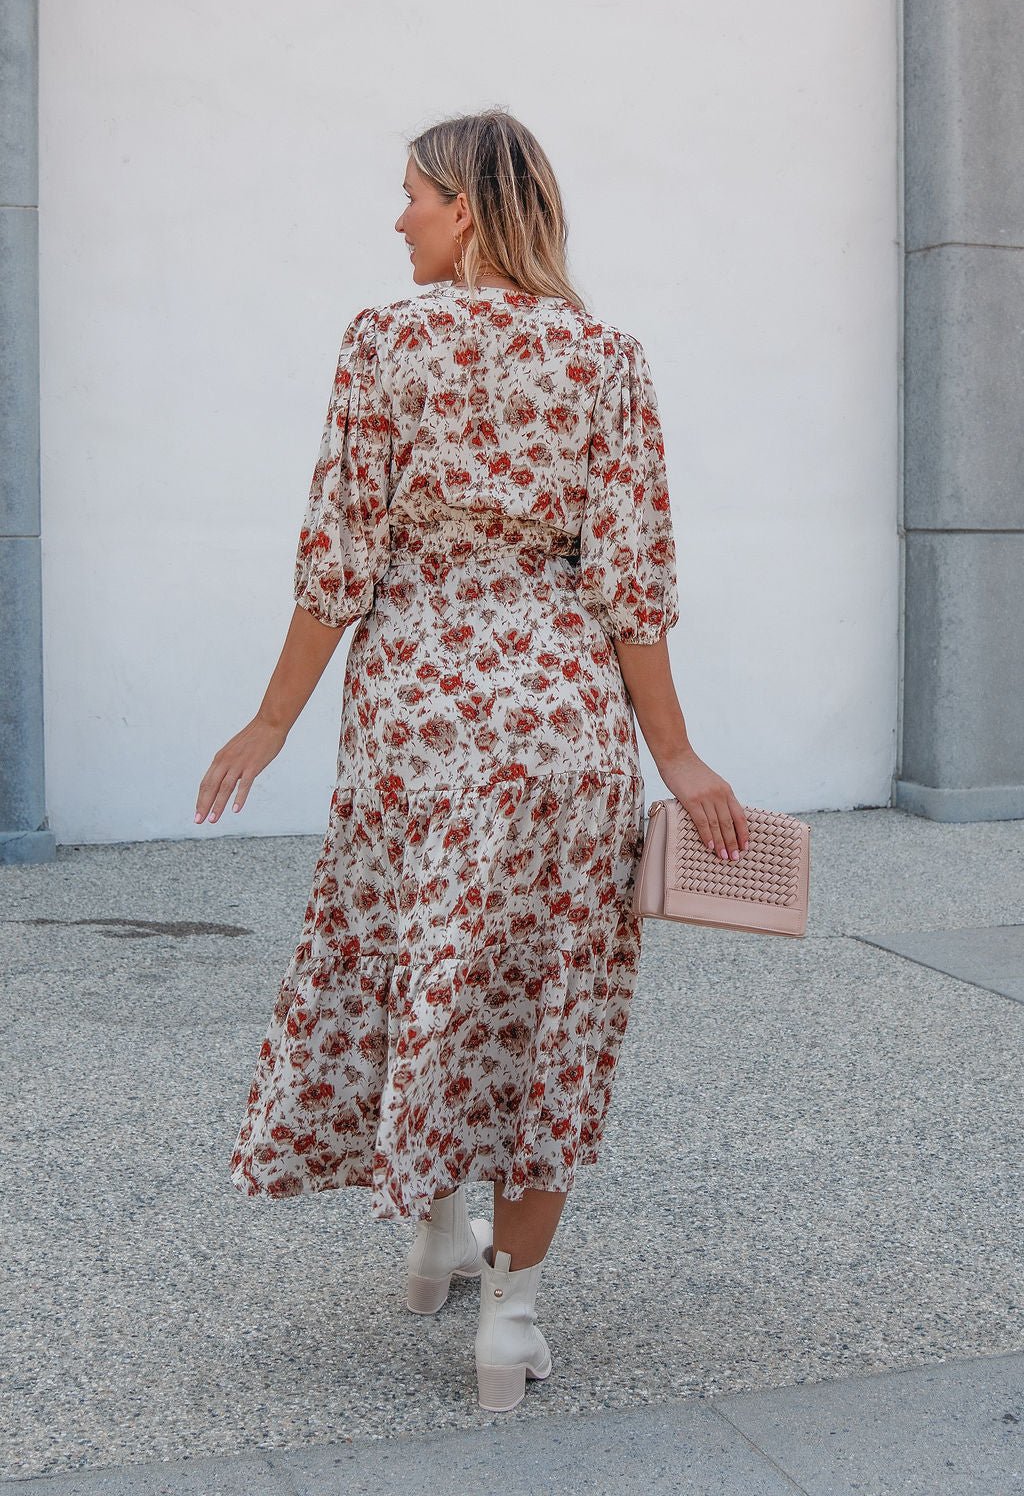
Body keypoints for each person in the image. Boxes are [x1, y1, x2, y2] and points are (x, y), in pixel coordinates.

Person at [196, 108, 748, 1413]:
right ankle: (509, 1314)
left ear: (469, 209)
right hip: (565, 736)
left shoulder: (384, 342)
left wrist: (271, 719)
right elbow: (631, 583)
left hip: (419, 731)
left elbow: (338, 560)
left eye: (412, 195)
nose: (398, 219)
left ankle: (433, 1232)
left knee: (427, 968)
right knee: (547, 1004)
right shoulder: (607, 360)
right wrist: (677, 755)